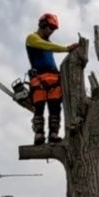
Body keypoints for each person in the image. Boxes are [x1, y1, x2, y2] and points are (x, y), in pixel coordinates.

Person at [26, 12, 79, 144]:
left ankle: (53, 134)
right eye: (51, 27)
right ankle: (39, 135)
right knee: (39, 108)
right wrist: (67, 48)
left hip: (54, 78)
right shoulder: (32, 38)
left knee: (55, 108)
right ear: (43, 24)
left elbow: (49, 46)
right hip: (39, 79)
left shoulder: (48, 42)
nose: (52, 31)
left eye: (54, 29)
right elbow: (48, 46)